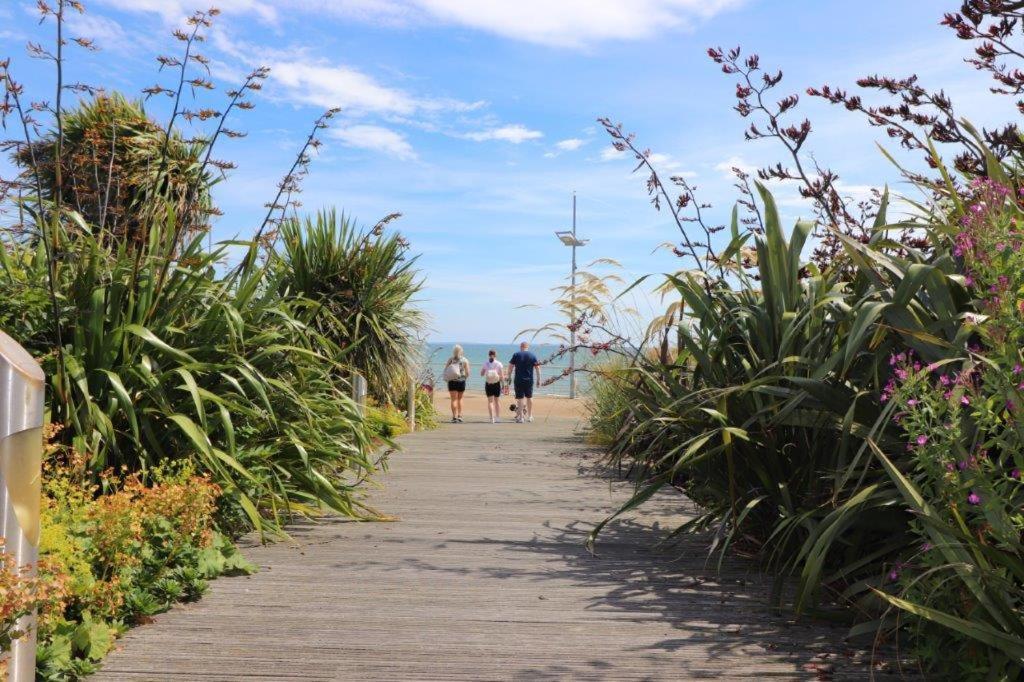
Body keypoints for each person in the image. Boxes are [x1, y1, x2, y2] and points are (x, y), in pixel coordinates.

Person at [507, 341, 540, 423]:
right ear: (527, 347)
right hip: (529, 380)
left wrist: (509, 377)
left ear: (521, 347)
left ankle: (521, 418)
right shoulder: (533, 355)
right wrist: (538, 379)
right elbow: (537, 368)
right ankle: (530, 416)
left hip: (518, 380)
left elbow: (510, 367)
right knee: (529, 397)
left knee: (520, 398)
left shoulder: (516, 355)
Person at [443, 344, 470, 423]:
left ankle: (454, 417)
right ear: (461, 351)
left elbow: (446, 370)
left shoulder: (450, 359)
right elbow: (468, 373)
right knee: (460, 399)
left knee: (453, 399)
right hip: (461, 381)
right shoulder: (465, 360)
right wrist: (464, 378)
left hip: (452, 381)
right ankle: (460, 416)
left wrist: (447, 378)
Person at [480, 349, 504, 423]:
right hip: (496, 384)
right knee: (497, 402)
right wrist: (503, 384)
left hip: (488, 384)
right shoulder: (499, 364)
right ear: (495, 355)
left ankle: (491, 419)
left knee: (490, 402)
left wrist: (487, 371)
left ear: (489, 355)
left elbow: (481, 374)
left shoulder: (485, 363)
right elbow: (502, 376)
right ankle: (497, 418)